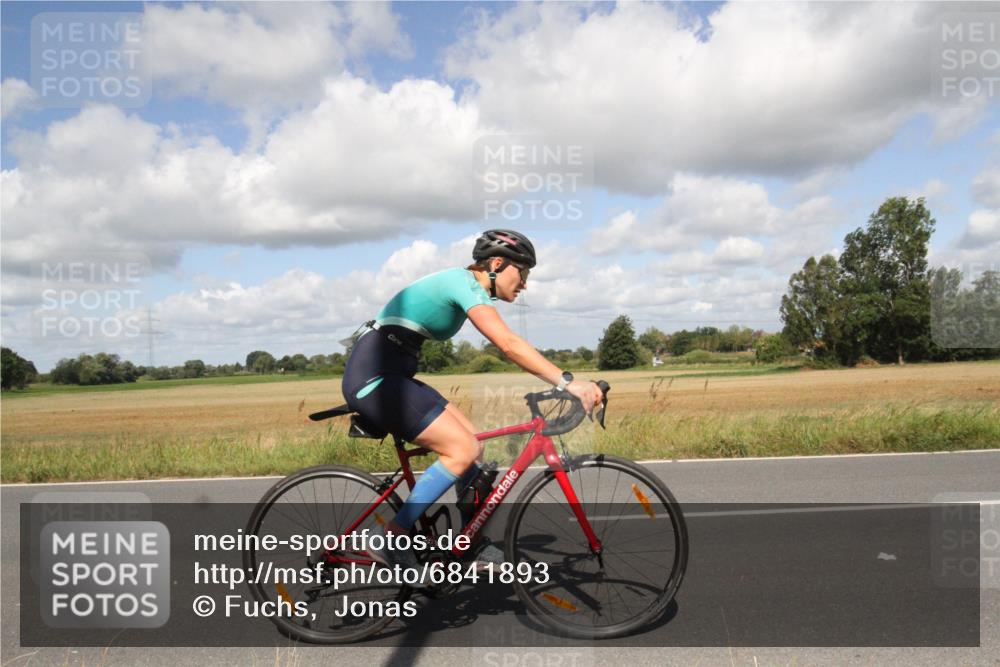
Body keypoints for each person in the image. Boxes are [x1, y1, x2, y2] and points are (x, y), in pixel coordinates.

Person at [341, 229, 604, 582]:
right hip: (374, 380)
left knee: (475, 447)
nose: (525, 283)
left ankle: (471, 544)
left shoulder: (466, 286)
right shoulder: (461, 283)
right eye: (522, 272)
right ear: (496, 264)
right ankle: (391, 537)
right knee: (461, 449)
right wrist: (567, 382)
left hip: (393, 377)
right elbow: (508, 344)